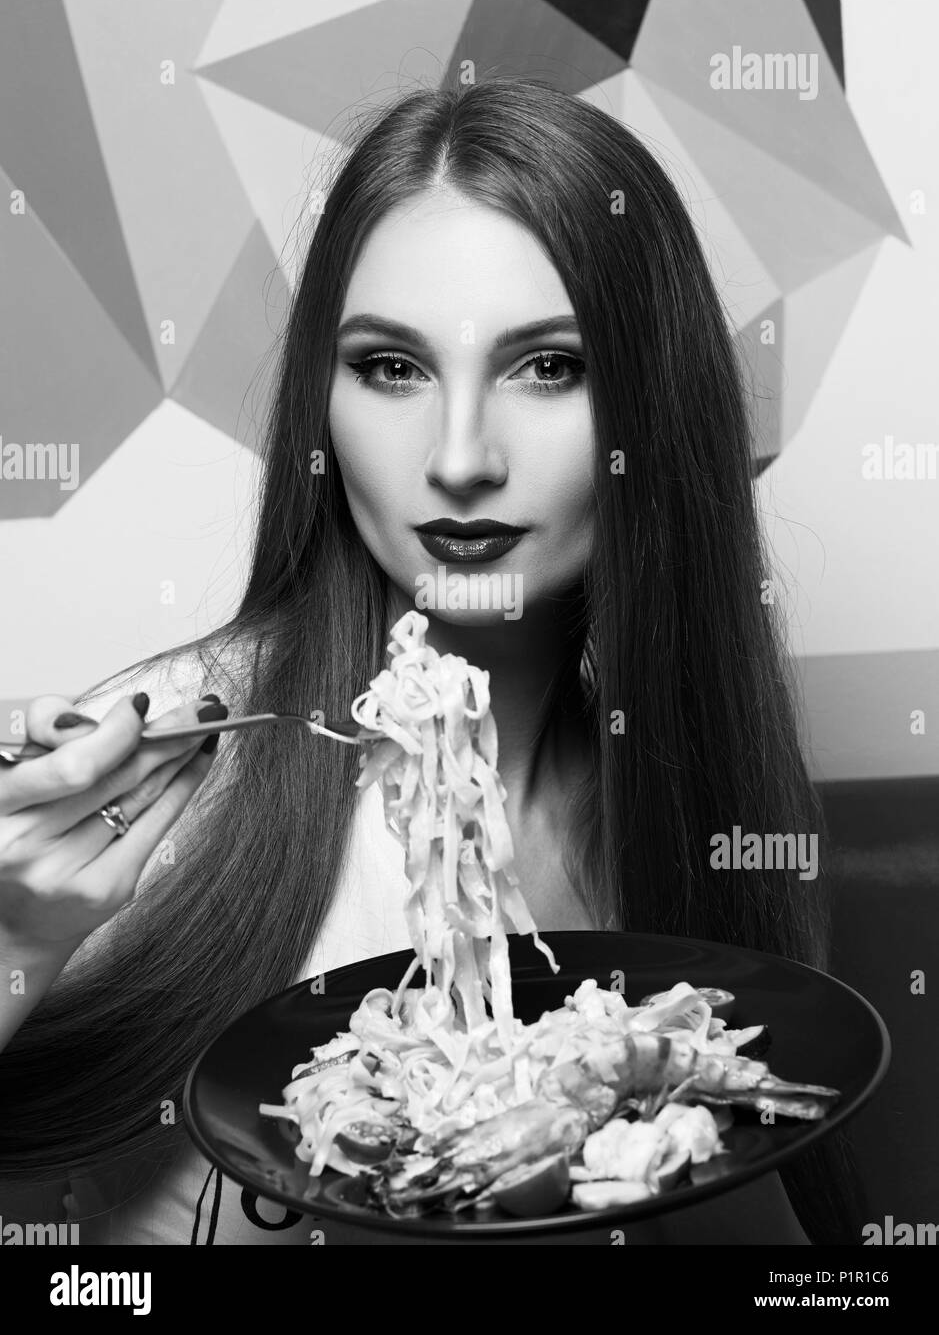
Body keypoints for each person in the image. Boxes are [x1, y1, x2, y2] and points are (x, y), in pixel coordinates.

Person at [0, 76, 863, 1245]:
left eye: (548, 366)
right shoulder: (151, 779)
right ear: (325, 398)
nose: (459, 457)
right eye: (392, 368)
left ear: (650, 411)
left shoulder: (661, 807)